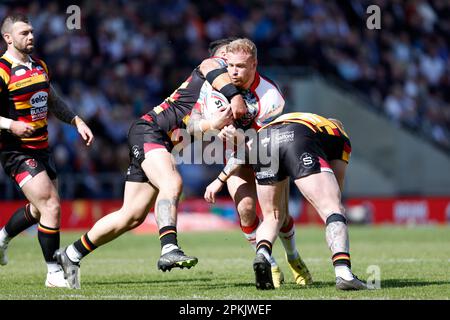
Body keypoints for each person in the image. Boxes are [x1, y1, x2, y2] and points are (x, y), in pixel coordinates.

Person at [53, 38, 248, 289]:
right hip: (149, 131)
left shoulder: (215, 95)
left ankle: (70, 255)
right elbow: (211, 67)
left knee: (131, 216)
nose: (231, 63)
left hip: (162, 143)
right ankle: (169, 247)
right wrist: (233, 98)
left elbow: (191, 128)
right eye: (227, 55)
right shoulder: (210, 68)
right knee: (172, 183)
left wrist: (217, 126)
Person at [188, 38, 312, 288]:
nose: (233, 71)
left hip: (268, 156)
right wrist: (211, 125)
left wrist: (220, 178)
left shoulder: (270, 96)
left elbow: (258, 147)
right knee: (245, 210)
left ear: (255, 64)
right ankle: (269, 264)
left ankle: (293, 256)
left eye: (241, 66)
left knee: (278, 215)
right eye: (230, 65)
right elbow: (191, 125)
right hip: (233, 157)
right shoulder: (212, 87)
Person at [205, 112, 367, 290]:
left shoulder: (302, 118)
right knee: (332, 207)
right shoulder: (339, 135)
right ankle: (343, 273)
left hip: (264, 139)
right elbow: (338, 180)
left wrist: (219, 180)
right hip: (297, 137)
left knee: (272, 216)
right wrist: (332, 206)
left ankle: (263, 254)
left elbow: (246, 149)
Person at [0, 14, 94, 288]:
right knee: (51, 205)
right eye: (24, 33)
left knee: (41, 209)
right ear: (8, 38)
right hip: (15, 151)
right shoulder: (3, 70)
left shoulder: (39, 66)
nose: (31, 37)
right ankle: (54, 273)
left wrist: (77, 120)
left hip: (42, 147)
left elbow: (52, 100)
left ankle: (3, 238)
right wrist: (11, 125)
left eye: (31, 31)